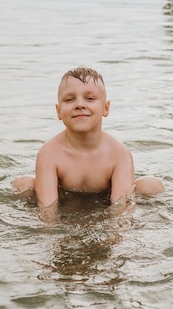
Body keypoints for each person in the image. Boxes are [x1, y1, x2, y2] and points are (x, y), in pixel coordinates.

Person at [12, 67, 164, 222]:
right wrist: (51, 236)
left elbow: (121, 208)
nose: (79, 105)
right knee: (23, 183)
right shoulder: (49, 153)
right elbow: (47, 209)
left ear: (106, 108)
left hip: (104, 200)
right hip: (66, 199)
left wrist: (113, 236)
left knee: (151, 185)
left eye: (90, 99)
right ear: (58, 111)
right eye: (69, 99)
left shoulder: (118, 154)